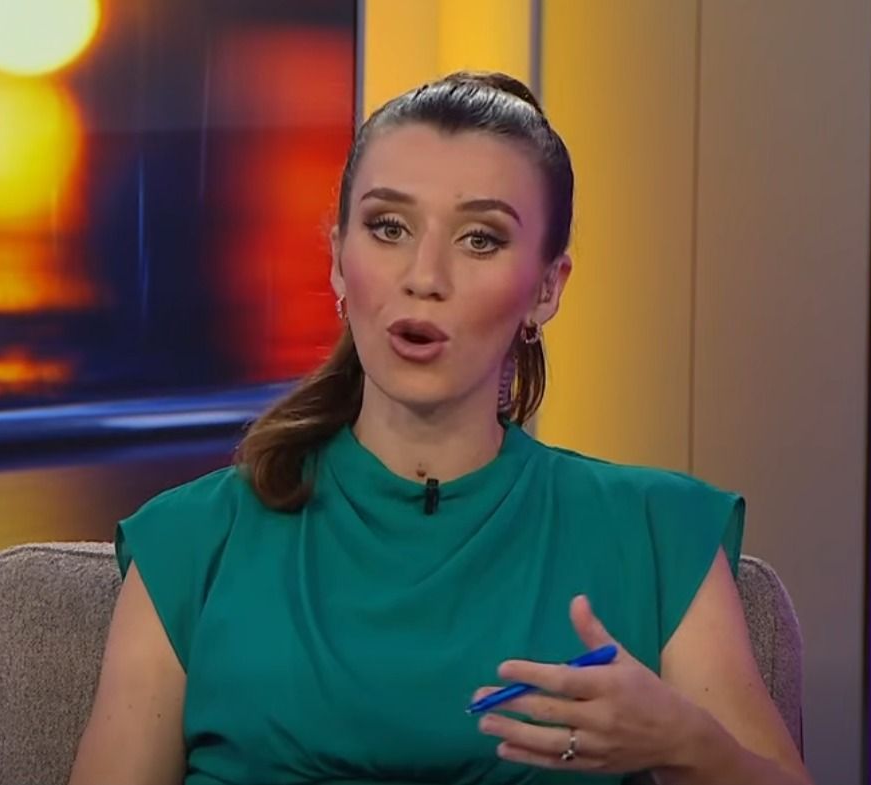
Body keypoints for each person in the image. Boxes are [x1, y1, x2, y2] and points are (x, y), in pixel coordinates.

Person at [68, 71, 813, 785]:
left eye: (480, 239)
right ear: (338, 261)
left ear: (546, 288)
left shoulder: (652, 533)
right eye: (388, 227)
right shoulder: (195, 541)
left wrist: (685, 744)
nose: (424, 276)